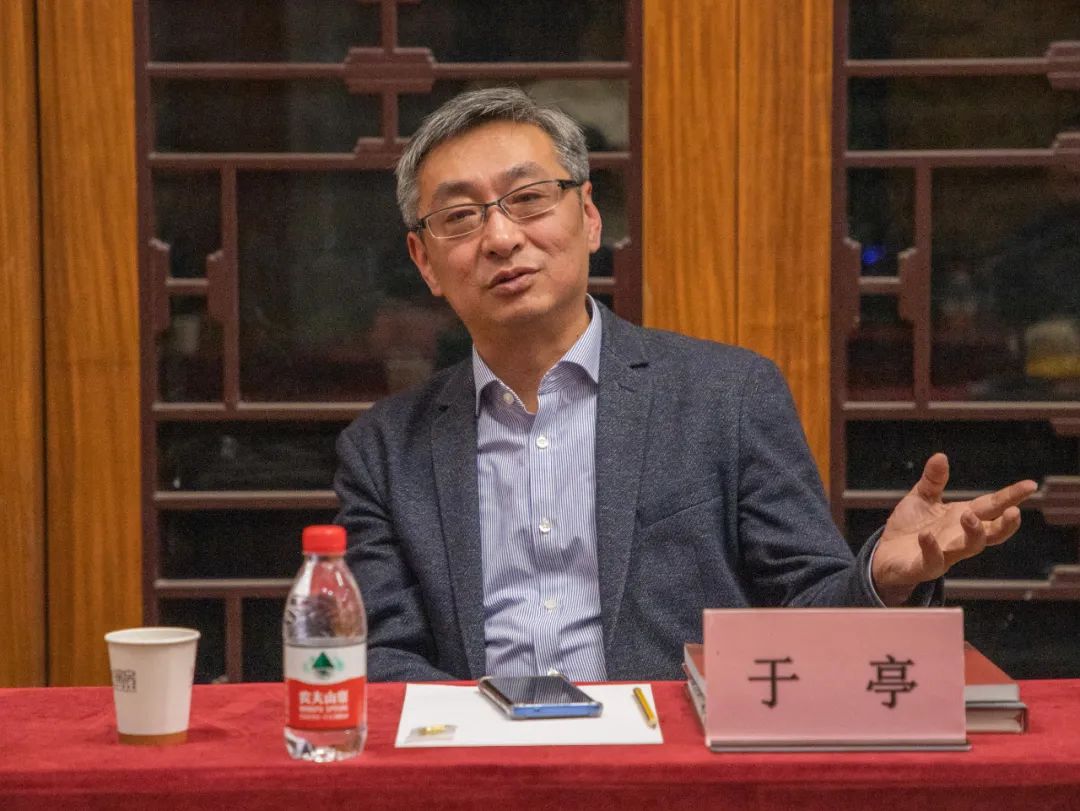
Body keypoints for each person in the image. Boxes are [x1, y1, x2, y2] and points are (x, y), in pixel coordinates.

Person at [334, 87, 1037, 682]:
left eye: (529, 198)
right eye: (460, 216)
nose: (500, 237)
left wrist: (880, 576)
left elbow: (807, 610)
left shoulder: (727, 396)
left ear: (590, 217)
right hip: (480, 767)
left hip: (678, 763)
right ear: (424, 261)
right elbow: (381, 656)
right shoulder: (384, 451)